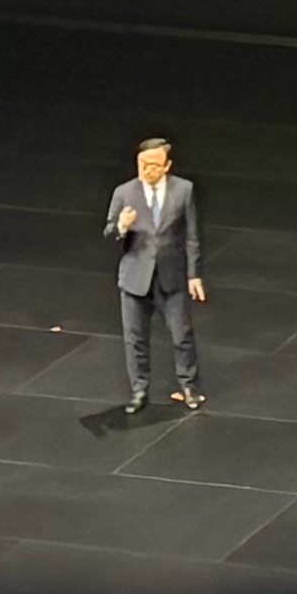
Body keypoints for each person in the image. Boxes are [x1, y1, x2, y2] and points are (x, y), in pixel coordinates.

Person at [90, 135, 205, 424]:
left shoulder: (183, 190)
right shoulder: (124, 192)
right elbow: (108, 233)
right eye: (142, 164)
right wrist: (121, 227)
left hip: (171, 274)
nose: (147, 170)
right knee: (135, 338)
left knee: (181, 335)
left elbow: (191, 235)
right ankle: (139, 390)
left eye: (154, 165)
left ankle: (189, 387)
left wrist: (194, 274)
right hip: (135, 276)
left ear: (166, 166)